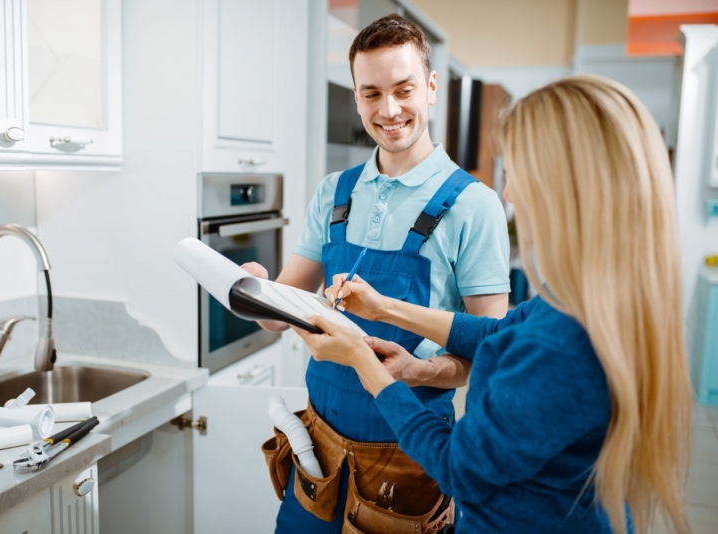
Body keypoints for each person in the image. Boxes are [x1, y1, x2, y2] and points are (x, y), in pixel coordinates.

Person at [295, 75, 693, 534]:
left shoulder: (560, 346)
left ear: (563, 188)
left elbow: (458, 466)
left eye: (517, 173)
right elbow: (497, 333)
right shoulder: (590, 301)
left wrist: (363, 360)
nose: (508, 193)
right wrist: (385, 308)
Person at [247, 13, 510, 534]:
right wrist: (253, 294)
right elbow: (281, 314)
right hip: (315, 450)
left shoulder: (474, 207)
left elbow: (492, 357)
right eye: (371, 94)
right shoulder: (334, 192)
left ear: (431, 88)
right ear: (356, 95)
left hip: (408, 459)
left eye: (403, 89)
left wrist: (416, 370)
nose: (388, 110)